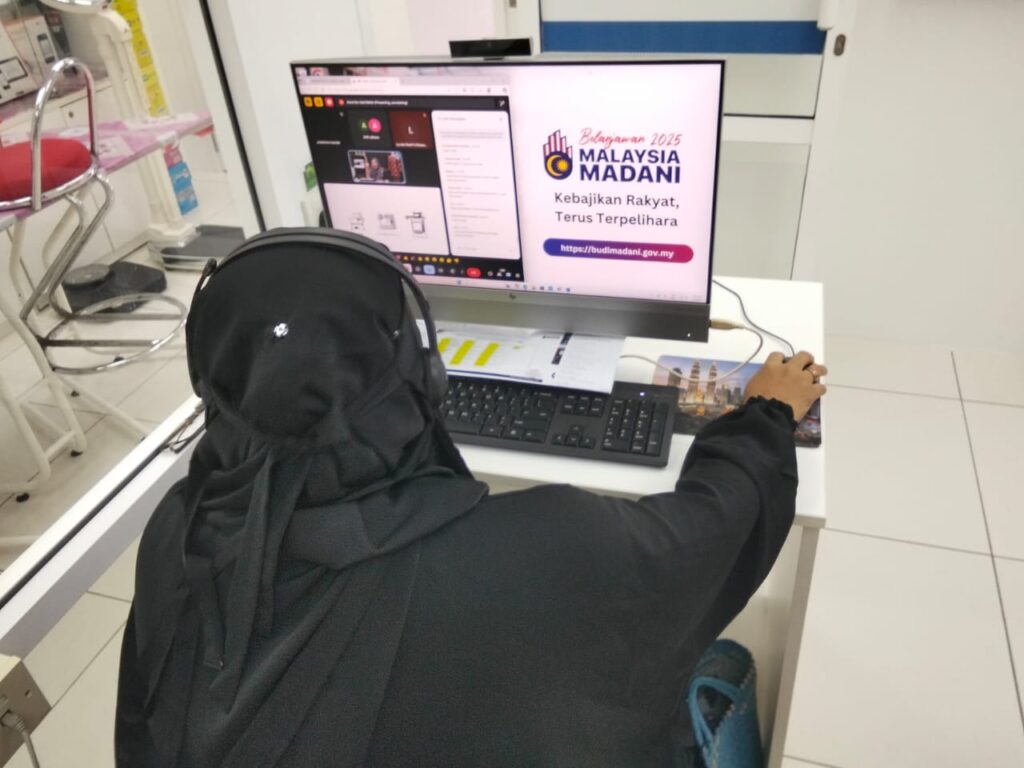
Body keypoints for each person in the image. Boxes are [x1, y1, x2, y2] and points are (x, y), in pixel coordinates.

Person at [115, 230, 826, 767]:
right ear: (424, 374)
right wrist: (764, 415)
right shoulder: (552, 548)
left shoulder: (179, 532)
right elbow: (710, 529)